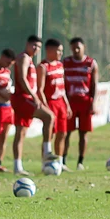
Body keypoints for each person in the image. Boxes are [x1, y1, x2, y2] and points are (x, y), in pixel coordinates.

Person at [10, 36, 54, 175]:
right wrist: (35, 97)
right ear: (27, 44)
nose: (36, 49)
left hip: (23, 99)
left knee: (21, 133)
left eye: (39, 47)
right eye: (34, 45)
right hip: (23, 98)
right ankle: (47, 152)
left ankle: (18, 167)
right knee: (49, 117)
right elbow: (22, 79)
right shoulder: (23, 58)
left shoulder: (30, 60)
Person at [62, 38, 99, 170]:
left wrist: (93, 103)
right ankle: (63, 161)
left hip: (85, 102)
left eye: (78, 47)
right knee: (66, 132)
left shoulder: (91, 63)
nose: (76, 50)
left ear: (84, 47)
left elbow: (94, 84)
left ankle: (80, 162)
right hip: (70, 102)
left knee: (83, 133)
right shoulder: (65, 62)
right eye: (73, 48)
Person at [38, 38, 71, 169]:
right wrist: (45, 106)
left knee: (62, 133)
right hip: (50, 103)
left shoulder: (60, 65)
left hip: (61, 103)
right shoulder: (43, 67)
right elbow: (40, 89)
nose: (60, 53)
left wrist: (67, 104)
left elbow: (62, 88)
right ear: (49, 50)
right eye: (58, 50)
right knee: (49, 134)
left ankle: (60, 162)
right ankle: (45, 162)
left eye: (61, 51)